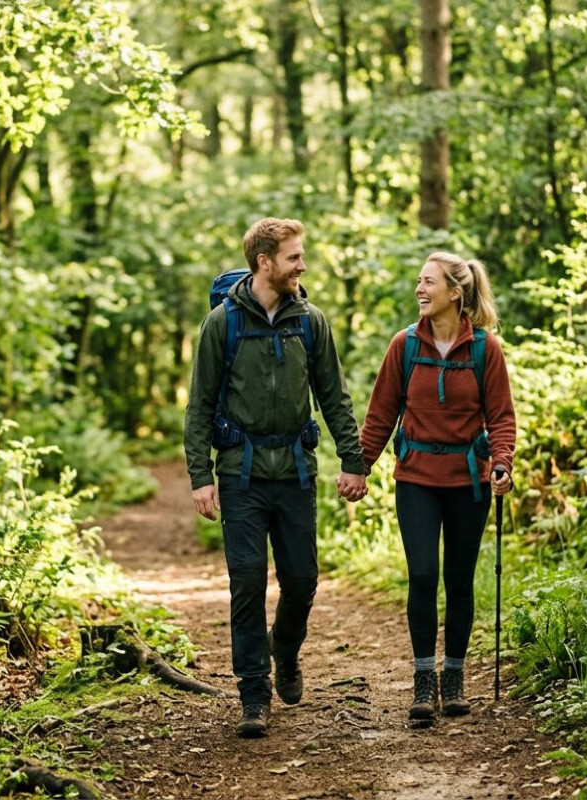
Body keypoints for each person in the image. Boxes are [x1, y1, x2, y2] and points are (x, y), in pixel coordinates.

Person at [184, 217, 368, 738]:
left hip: (295, 473)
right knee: (245, 583)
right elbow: (198, 405)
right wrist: (201, 476)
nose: (302, 265)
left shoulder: (311, 321)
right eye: (293, 257)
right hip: (240, 474)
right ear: (264, 262)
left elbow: (334, 395)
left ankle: (284, 649)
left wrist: (352, 459)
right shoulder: (223, 324)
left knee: (302, 581)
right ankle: (253, 696)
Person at [359, 251, 516, 723]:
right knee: (424, 575)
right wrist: (359, 466)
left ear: (455, 292)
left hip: (469, 481)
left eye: (428, 283)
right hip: (416, 480)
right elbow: (381, 413)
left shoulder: (485, 349)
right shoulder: (403, 346)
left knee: (460, 580)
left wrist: (502, 463)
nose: (419, 290)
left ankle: (454, 676)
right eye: (419, 282)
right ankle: (424, 681)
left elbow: (501, 417)